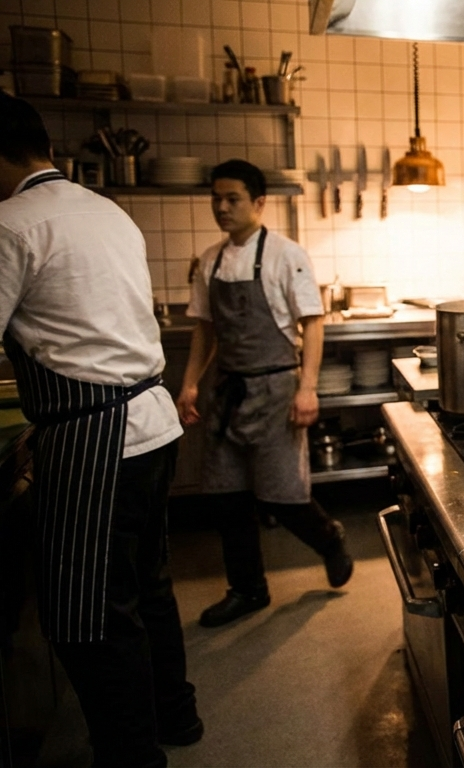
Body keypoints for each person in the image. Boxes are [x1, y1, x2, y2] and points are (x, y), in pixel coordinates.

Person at [0, 92, 200, 767]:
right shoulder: (105, 209)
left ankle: (131, 756)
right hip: (152, 425)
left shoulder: (10, 224)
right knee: (147, 589)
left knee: (85, 618)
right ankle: (178, 717)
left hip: (95, 441)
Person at [176, 160, 352, 628]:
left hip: (276, 387)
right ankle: (248, 589)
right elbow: (205, 329)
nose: (222, 207)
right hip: (227, 390)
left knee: (281, 495)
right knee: (227, 498)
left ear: (258, 203)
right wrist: (191, 382)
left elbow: (312, 323)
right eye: (216, 198)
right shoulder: (210, 259)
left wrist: (307, 389)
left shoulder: (286, 255)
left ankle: (329, 538)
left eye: (232, 199)